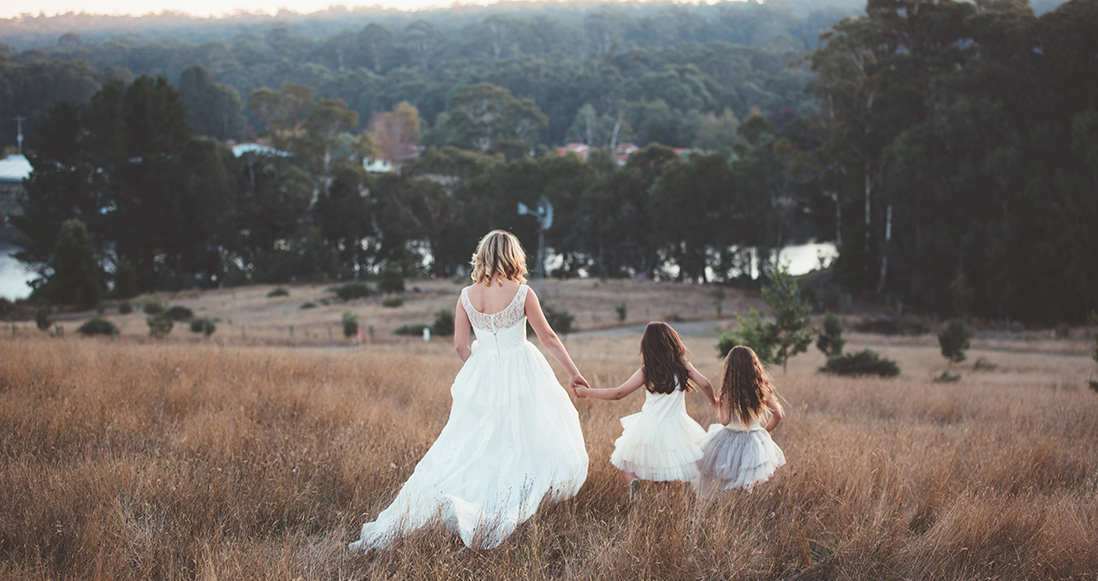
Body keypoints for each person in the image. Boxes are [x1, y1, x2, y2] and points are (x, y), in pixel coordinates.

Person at [348, 230, 589, 552]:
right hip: (522, 371)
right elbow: (548, 338)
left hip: (483, 372)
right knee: (529, 436)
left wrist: (481, 370)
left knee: (474, 442)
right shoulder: (523, 293)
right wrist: (574, 372)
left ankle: (463, 501)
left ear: (483, 255)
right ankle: (504, 502)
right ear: (513, 256)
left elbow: (460, 345)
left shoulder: (465, 296)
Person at [574, 322, 717, 501]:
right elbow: (704, 383)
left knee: (625, 462)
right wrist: (713, 401)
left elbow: (618, 393)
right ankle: (660, 508)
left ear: (646, 347)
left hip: (648, 425)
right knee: (663, 477)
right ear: (673, 342)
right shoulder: (683, 365)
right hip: (676, 427)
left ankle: (634, 487)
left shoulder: (647, 371)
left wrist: (587, 392)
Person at [694, 345, 786, 497]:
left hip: (729, 438)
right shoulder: (761, 389)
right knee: (747, 479)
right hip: (754, 440)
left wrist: (720, 406)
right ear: (754, 366)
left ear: (729, 368)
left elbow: (724, 421)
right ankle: (744, 506)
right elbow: (778, 415)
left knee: (726, 476)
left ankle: (728, 507)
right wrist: (766, 430)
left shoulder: (728, 392)